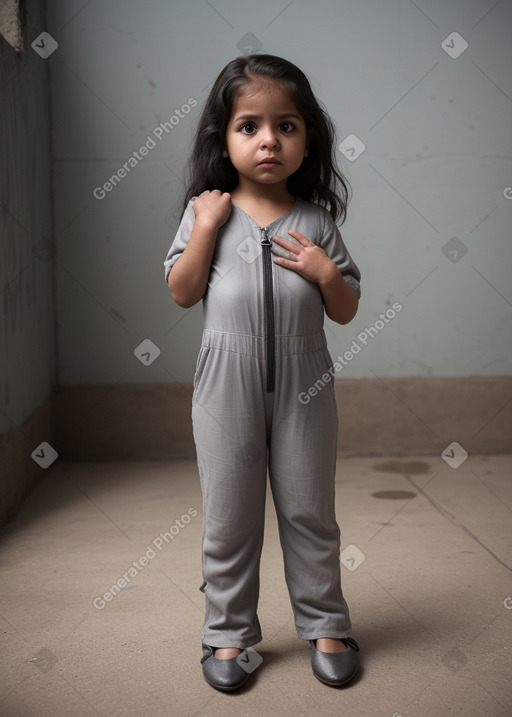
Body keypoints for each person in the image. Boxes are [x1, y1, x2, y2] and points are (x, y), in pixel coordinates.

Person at [164, 53, 362, 692]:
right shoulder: (208, 216)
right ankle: (226, 634)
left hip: (306, 385)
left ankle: (326, 623)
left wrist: (326, 273)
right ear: (223, 140)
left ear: (309, 141)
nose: (269, 139)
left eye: (288, 125)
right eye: (249, 125)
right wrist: (206, 226)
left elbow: (346, 309)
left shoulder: (315, 222)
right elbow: (182, 291)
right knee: (230, 514)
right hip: (226, 384)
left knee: (310, 511)